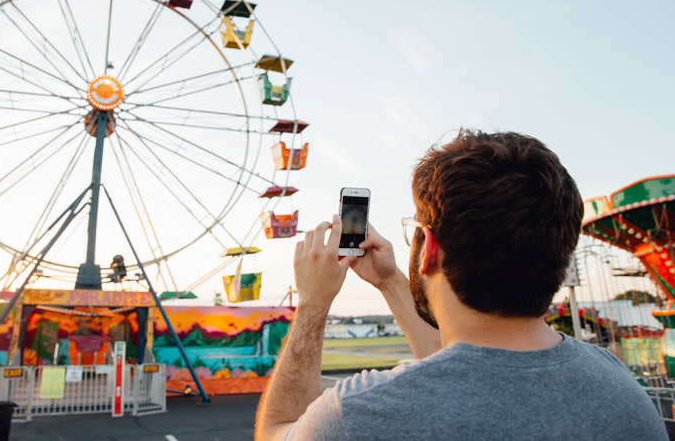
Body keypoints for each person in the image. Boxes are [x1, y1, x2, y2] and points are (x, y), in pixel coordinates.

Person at [255, 130, 667, 440]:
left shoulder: (361, 413)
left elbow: (275, 430)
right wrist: (390, 281)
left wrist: (314, 303)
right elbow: (465, 368)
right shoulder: (622, 390)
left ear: (429, 249)